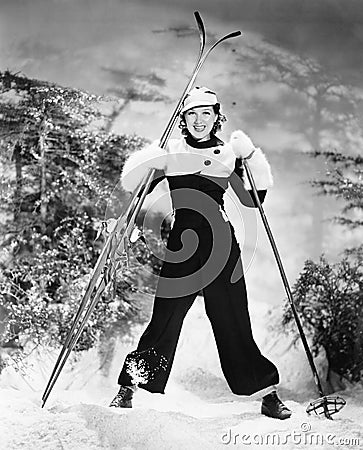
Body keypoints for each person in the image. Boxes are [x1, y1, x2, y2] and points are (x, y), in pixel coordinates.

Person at [109, 86, 292, 420]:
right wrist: (150, 158)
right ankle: (129, 387)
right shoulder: (172, 151)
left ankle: (266, 393)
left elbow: (252, 200)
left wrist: (250, 157)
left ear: (216, 117)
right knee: (165, 318)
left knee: (233, 320)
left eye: (206, 114)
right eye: (192, 114)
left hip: (222, 244)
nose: (199, 120)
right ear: (183, 119)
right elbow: (136, 186)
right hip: (183, 245)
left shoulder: (228, 155)